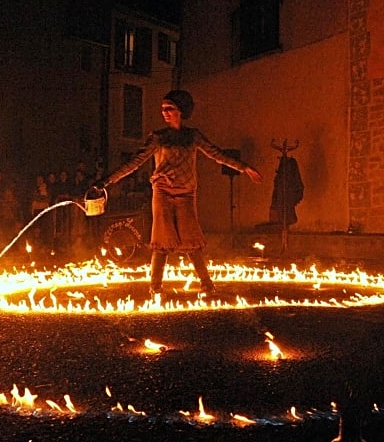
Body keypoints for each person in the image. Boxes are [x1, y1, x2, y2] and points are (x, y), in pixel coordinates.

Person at [92, 90, 263, 298]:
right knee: (162, 240)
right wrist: (106, 181)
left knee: (191, 239)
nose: (165, 112)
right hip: (162, 191)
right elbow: (135, 162)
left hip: (186, 193)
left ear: (180, 111)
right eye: (163, 109)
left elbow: (216, 154)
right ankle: (155, 286)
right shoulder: (158, 138)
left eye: (170, 108)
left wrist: (243, 168)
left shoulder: (192, 136)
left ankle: (206, 284)